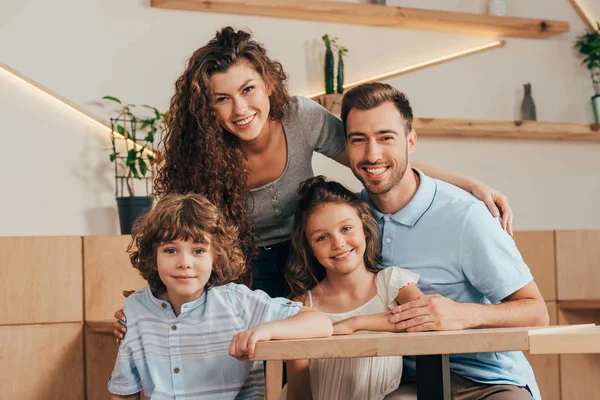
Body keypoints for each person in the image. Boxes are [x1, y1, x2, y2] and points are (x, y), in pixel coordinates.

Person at [113, 26, 513, 339]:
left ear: (268, 83)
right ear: (208, 107)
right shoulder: (200, 150)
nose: (240, 109)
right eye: (221, 99)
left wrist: (469, 184)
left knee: (303, 361)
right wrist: (152, 302)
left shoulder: (301, 117)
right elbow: (179, 232)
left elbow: (372, 160)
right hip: (234, 272)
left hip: (303, 260)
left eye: (248, 89)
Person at [340, 82, 549, 400]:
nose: (372, 154)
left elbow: (536, 312)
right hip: (401, 383)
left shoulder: (467, 216)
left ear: (411, 141)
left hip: (489, 382)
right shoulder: (347, 222)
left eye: (386, 138)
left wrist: (465, 314)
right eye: (359, 140)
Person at [107, 193, 332, 400]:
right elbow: (124, 391)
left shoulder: (238, 302)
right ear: (152, 256)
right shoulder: (136, 308)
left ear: (216, 256)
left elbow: (321, 323)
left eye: (198, 251)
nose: (184, 262)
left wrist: (265, 330)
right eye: (170, 250)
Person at [280, 176, 424, 400]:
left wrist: (354, 324)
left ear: (365, 228)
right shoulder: (302, 306)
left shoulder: (391, 284)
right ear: (309, 248)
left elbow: (427, 317)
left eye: (346, 228)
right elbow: (298, 392)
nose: (338, 243)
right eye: (322, 237)